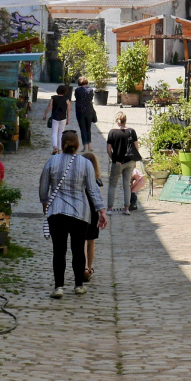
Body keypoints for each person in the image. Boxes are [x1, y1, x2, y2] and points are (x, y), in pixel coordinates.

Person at [39, 131, 106, 299]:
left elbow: (43, 188)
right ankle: (78, 285)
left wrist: (45, 204)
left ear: (62, 144)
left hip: (57, 212)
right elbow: (92, 190)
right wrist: (101, 210)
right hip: (80, 212)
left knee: (59, 250)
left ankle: (59, 287)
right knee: (77, 250)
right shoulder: (85, 164)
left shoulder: (51, 161)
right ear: (78, 145)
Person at [106, 112, 141, 215]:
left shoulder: (112, 132)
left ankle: (109, 209)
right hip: (130, 161)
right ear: (126, 120)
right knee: (126, 185)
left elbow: (108, 150)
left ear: (116, 120)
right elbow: (136, 148)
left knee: (112, 185)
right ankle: (126, 208)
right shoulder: (131, 131)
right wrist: (134, 161)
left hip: (117, 162)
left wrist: (114, 158)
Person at [81, 151, 103, 280]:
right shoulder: (97, 181)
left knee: (82, 240)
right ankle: (88, 268)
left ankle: (83, 267)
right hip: (93, 212)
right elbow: (98, 198)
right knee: (91, 241)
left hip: (81, 211)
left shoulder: (79, 179)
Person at [44, 85, 72, 153]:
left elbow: (49, 107)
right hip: (63, 118)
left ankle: (55, 146)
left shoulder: (53, 98)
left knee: (54, 133)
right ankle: (60, 149)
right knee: (61, 134)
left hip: (55, 117)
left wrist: (45, 114)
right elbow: (68, 110)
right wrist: (68, 119)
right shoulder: (66, 100)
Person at [73, 76, 98, 151]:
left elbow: (76, 98)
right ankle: (90, 145)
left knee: (82, 129)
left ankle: (85, 145)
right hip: (89, 111)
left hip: (80, 111)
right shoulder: (91, 90)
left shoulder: (77, 90)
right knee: (88, 128)